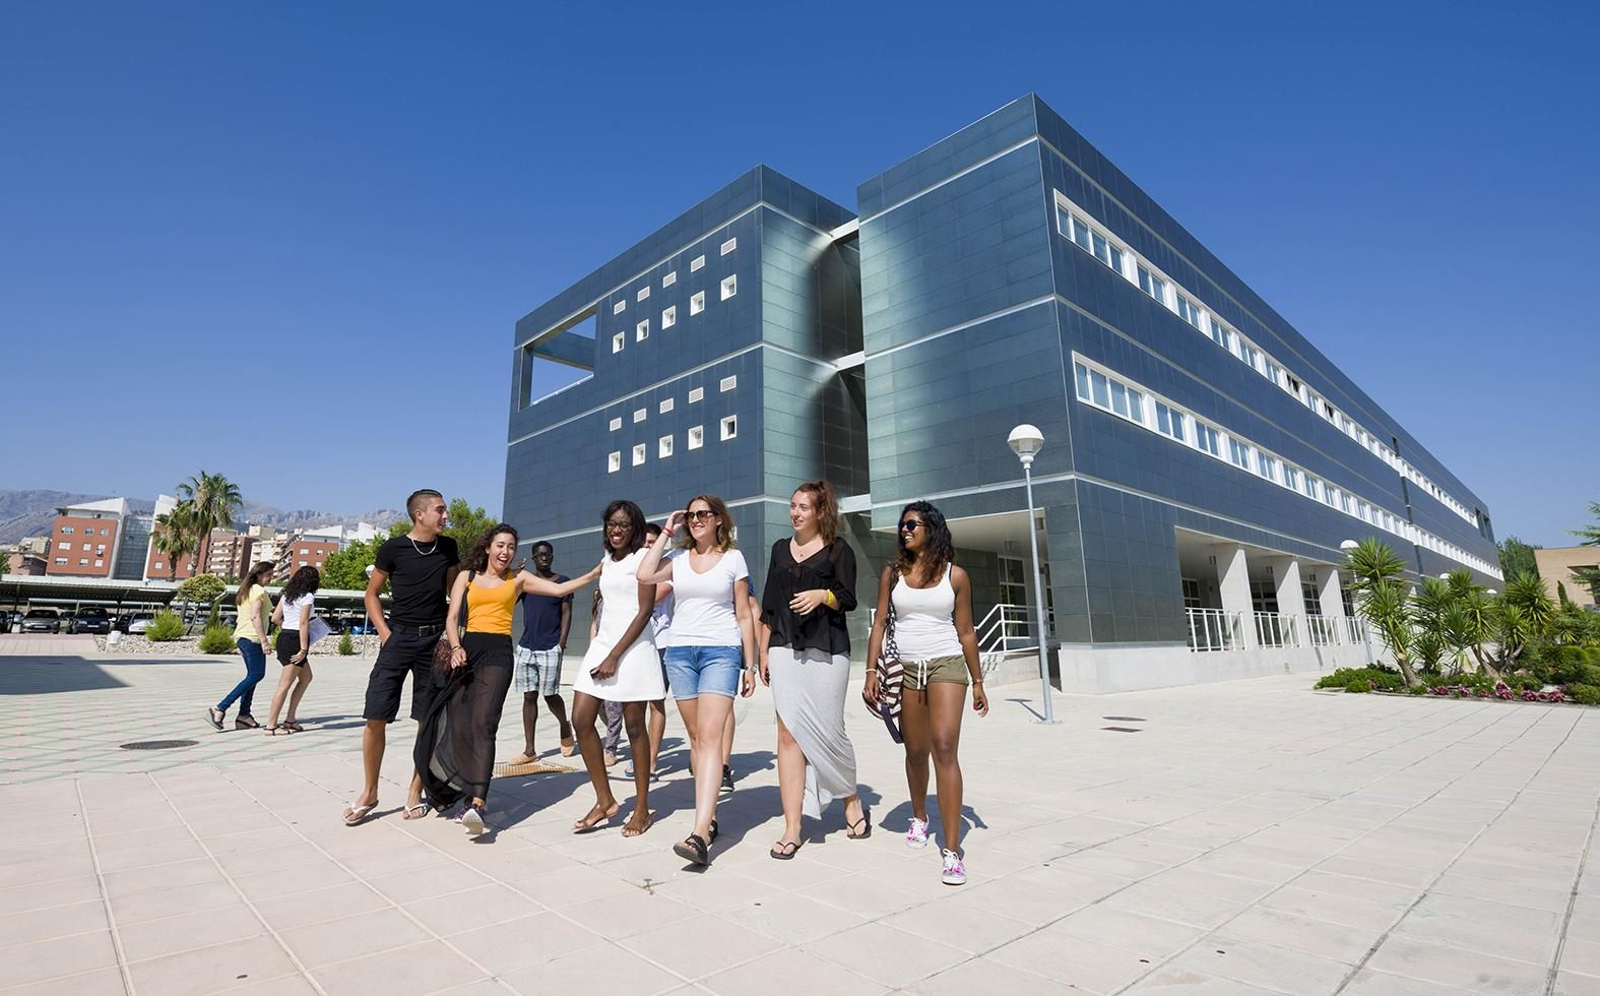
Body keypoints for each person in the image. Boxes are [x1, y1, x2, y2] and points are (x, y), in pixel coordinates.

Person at [421, 524, 598, 835]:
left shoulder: (519, 579)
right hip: (468, 650)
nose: (506, 552)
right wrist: (457, 647)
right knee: (460, 725)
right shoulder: (467, 577)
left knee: (484, 723)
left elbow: (559, 590)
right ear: (488, 547)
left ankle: (478, 801)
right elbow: (452, 618)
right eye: (501, 545)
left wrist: (595, 573)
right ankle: (466, 787)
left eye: (511, 547)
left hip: (498, 654)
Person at [863, 501, 989, 886]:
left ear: (931, 529)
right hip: (906, 669)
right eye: (902, 525)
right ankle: (919, 816)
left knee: (944, 748)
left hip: (946, 664)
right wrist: (870, 671)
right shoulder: (893, 573)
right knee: (915, 751)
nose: (904, 530)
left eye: (912, 524)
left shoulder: (956, 576)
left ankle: (952, 851)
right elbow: (880, 622)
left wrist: (978, 680)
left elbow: (966, 630)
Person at [637, 496, 757, 865]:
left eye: (703, 514)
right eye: (691, 515)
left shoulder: (733, 559)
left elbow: (744, 614)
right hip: (680, 654)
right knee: (696, 739)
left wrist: (750, 665)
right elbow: (644, 574)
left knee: (709, 738)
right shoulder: (676, 559)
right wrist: (666, 530)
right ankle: (711, 816)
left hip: (721, 651)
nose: (696, 520)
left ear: (719, 519)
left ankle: (699, 832)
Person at [759, 479, 868, 859]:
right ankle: (793, 826)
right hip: (784, 649)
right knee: (788, 735)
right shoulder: (779, 549)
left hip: (828, 651)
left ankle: (850, 797)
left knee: (830, 732)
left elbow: (849, 598)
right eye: (792, 506)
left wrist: (824, 595)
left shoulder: (839, 550)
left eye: (803, 507)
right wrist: (762, 652)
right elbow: (769, 607)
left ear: (821, 512)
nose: (795, 513)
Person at [344, 490, 460, 827]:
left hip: (433, 641)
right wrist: (385, 634)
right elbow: (371, 594)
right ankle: (370, 792)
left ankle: (415, 790)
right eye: (440, 510)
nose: (446, 515)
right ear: (419, 514)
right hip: (398, 639)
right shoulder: (393, 548)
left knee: (427, 720)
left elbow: (455, 593)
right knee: (375, 715)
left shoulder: (448, 547)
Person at [569, 500, 665, 837]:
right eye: (611, 523)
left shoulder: (644, 558)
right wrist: (603, 649)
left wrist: (615, 656)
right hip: (603, 644)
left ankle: (641, 809)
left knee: (635, 726)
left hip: (634, 647)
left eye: (623, 524)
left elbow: (644, 611)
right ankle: (605, 800)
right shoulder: (607, 560)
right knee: (581, 718)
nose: (616, 529)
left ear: (635, 528)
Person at [508, 541, 577, 765]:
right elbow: (508, 599)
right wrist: (513, 575)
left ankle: (564, 725)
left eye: (547, 554)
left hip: (550, 647)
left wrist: (561, 643)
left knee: (550, 695)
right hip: (526, 647)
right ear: (533, 559)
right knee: (529, 696)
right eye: (539, 555)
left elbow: (566, 613)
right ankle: (529, 750)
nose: (544, 558)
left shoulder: (562, 582)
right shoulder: (526, 582)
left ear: (552, 556)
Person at [206, 560, 276, 731]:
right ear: (258, 575)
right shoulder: (258, 591)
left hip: (242, 637)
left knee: (252, 676)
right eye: (268, 575)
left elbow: (240, 618)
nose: (271, 578)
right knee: (257, 674)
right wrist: (264, 641)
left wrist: (240, 642)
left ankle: (244, 715)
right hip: (252, 638)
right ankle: (220, 708)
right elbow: (255, 616)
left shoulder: (245, 591)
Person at [628, 523, 671, 781]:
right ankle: (640, 755)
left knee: (656, 702)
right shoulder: (632, 567)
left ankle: (652, 760)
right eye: (644, 542)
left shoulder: (667, 570)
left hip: (661, 643)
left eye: (652, 542)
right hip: (637, 643)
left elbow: (650, 597)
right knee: (635, 702)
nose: (647, 546)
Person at [264, 566, 320, 735]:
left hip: (285, 636)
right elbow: (303, 622)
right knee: (284, 685)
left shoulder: (287, 595)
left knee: (306, 678)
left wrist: (287, 626)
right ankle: (271, 726)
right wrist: (303, 648)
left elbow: (275, 618)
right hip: (296, 640)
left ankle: (290, 719)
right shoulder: (308, 596)